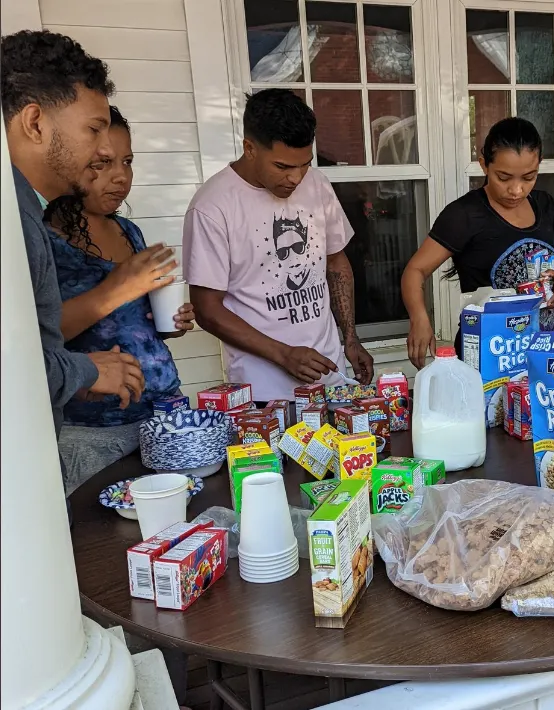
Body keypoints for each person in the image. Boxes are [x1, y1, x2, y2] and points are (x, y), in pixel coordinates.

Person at [2, 30, 145, 482]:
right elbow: (13, 368)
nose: (105, 149)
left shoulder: (25, 209)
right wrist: (84, 370)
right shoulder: (13, 221)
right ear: (35, 123)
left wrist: (76, 380)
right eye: (94, 129)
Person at [183, 88, 374, 402]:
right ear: (250, 148)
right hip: (263, 393)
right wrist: (284, 354)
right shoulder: (212, 206)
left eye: (304, 164)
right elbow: (207, 310)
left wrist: (350, 338)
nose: (296, 178)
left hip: (330, 379)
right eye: (283, 167)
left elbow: (336, 261)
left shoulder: (317, 183)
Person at [45, 106, 196, 492]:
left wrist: (170, 323)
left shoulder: (128, 231)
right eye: (103, 163)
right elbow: (40, 333)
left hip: (165, 413)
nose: (120, 176)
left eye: (127, 162)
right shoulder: (46, 240)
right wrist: (120, 288)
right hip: (95, 432)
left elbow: (135, 321)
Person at [402, 117, 554, 368]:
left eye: (528, 177)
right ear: (484, 165)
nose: (516, 190)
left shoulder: (546, 206)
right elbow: (415, 270)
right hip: (486, 356)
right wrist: (419, 319)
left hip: (540, 353)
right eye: (504, 177)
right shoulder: (464, 215)